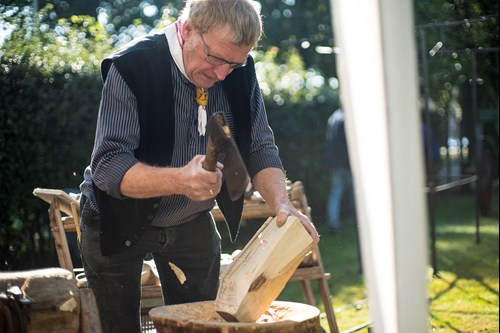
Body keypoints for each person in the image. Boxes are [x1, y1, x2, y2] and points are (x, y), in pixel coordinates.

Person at [78, 0, 319, 332]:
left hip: (189, 220)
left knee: (204, 324)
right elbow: (108, 165)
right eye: (215, 58)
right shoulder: (132, 67)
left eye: (233, 64)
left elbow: (259, 147)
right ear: (188, 28)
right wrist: (179, 180)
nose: (222, 74)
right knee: (119, 327)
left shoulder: (239, 70)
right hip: (117, 218)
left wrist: (281, 204)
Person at [325, 106, 355, 233]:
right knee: (356, 193)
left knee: (335, 194)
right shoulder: (347, 118)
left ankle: (333, 224)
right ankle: (360, 223)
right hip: (346, 162)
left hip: (334, 162)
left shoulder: (333, 117)